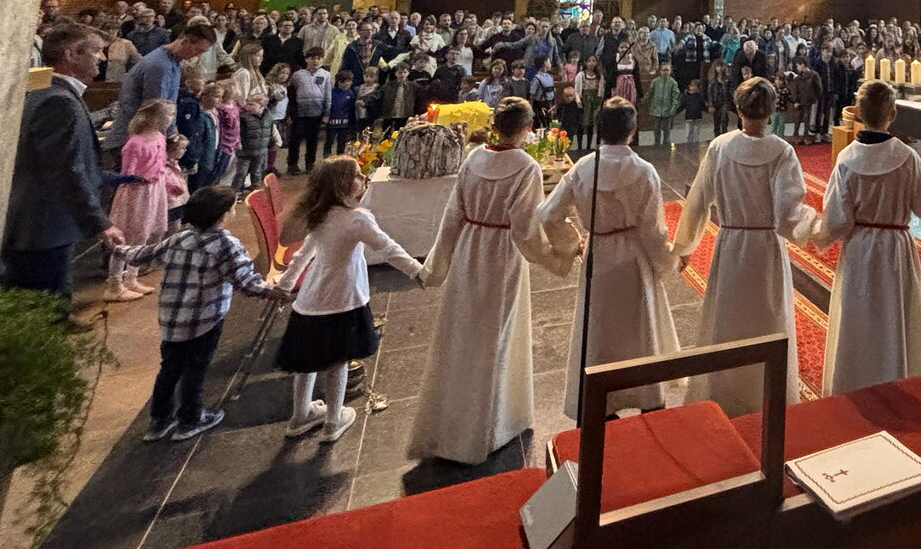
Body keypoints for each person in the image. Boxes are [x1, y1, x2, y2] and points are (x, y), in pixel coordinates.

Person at [409, 98, 566, 465]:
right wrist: (557, 257)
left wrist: (436, 266)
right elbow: (526, 231)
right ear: (526, 129)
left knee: (463, 331)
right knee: (497, 335)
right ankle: (491, 426)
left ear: (495, 126)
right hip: (502, 254)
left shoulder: (474, 157)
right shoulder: (526, 167)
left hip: (470, 247)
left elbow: (452, 214)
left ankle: (451, 423)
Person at [804, 80, 921, 394]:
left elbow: (837, 221)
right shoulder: (907, 158)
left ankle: (854, 383)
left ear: (857, 112)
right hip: (895, 248)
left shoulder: (847, 159)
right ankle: (896, 380)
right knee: (894, 316)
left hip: (859, 248)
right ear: (892, 115)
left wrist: (812, 230)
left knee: (858, 316)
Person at [670, 77, 813, 414]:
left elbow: (697, 203)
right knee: (767, 319)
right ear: (773, 109)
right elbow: (789, 212)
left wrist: (684, 247)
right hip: (766, 248)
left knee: (728, 319)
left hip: (731, 245)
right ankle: (766, 393)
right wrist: (818, 228)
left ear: (738, 109)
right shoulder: (782, 152)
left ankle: (723, 393)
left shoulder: (720, 147)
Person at [535, 98, 679, 423]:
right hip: (634, 258)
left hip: (598, 253)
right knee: (639, 330)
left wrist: (573, 243)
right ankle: (647, 397)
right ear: (633, 130)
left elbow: (547, 215)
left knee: (599, 329)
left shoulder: (582, 168)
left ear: (599, 129)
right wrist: (666, 262)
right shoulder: (644, 171)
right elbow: (653, 229)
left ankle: (604, 402)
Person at [116, 185, 287, 442]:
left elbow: (143, 254)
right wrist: (272, 291)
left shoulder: (179, 238)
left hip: (172, 319)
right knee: (195, 369)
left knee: (169, 368)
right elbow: (245, 281)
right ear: (222, 215)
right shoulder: (226, 244)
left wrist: (119, 248)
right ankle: (191, 419)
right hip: (205, 319)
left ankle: (159, 421)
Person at [276, 157, 424, 444]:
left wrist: (285, 284)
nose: (363, 179)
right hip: (343, 299)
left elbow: (304, 253)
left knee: (308, 361)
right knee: (338, 361)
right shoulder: (357, 218)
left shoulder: (321, 214)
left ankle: (300, 414)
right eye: (357, 176)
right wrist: (416, 270)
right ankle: (333, 420)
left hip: (311, 299)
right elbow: (387, 248)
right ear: (342, 184)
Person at [1, 23, 126, 300]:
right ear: (71, 54)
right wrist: (101, 224)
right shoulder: (59, 101)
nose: (102, 58)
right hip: (43, 228)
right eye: (96, 51)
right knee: (45, 306)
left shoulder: (46, 89)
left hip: (40, 227)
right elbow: (65, 170)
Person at [108, 100, 179, 302]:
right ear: (153, 117)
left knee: (144, 236)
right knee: (127, 239)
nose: (171, 119)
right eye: (167, 115)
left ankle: (131, 277)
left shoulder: (160, 137)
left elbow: (161, 165)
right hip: (137, 194)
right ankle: (115, 284)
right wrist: (140, 179)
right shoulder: (135, 143)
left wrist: (169, 183)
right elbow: (127, 174)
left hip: (154, 191)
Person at [110, 22, 218, 148]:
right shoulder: (160, 65)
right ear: (185, 41)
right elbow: (156, 109)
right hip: (136, 141)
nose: (198, 55)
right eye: (198, 49)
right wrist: (170, 139)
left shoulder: (173, 62)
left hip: (145, 138)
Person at [289, 48, 332, 174]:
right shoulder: (298, 75)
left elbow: (328, 94)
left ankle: (310, 163)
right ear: (307, 59)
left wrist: (327, 113)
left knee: (312, 139)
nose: (315, 61)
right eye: (312, 58)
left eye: (319, 58)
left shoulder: (326, 75)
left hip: (317, 112)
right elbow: (292, 93)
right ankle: (292, 164)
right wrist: (291, 111)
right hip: (300, 112)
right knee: (295, 139)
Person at [646, 61, 679, 147]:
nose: (665, 72)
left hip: (667, 110)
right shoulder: (655, 82)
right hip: (656, 109)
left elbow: (675, 97)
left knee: (666, 129)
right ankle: (656, 143)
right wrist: (644, 100)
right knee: (656, 128)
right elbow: (650, 92)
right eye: (664, 70)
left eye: (667, 70)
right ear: (660, 71)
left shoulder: (673, 83)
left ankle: (666, 144)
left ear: (670, 71)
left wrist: (673, 108)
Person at [326, 70, 358, 158]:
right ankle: (327, 157)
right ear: (339, 82)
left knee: (342, 141)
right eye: (347, 81)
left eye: (350, 81)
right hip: (332, 122)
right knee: (329, 140)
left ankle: (340, 157)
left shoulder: (351, 93)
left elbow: (352, 109)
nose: (350, 83)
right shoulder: (332, 93)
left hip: (345, 123)